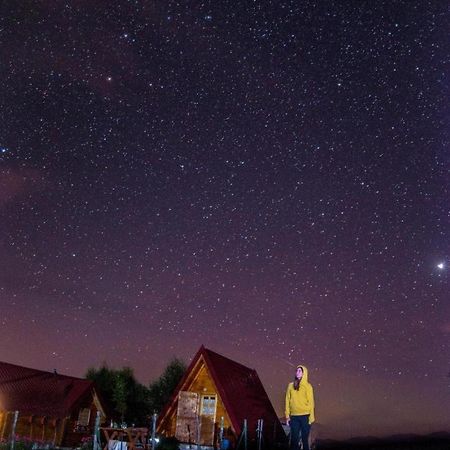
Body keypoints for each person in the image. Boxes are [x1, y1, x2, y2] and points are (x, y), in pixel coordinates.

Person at [285, 365, 315, 450]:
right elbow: (287, 400)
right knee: (294, 440)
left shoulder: (308, 386)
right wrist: (287, 416)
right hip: (294, 417)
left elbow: (311, 402)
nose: (297, 372)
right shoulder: (290, 385)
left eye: (300, 371)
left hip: (305, 416)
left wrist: (311, 418)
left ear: (304, 373)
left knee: (305, 440)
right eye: (297, 370)